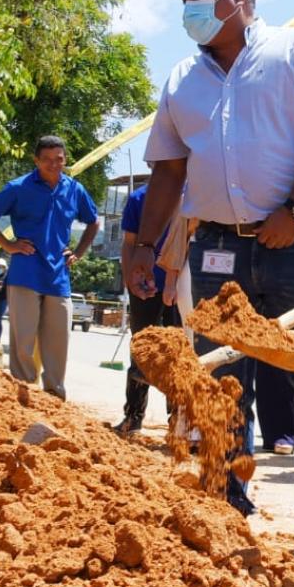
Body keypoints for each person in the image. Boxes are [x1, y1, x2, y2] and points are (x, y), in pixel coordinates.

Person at [128, 0, 294, 566]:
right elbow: (168, 170)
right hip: (218, 247)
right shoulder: (182, 80)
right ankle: (224, 505)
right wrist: (143, 247)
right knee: (219, 384)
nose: (189, 8)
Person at [0, 135, 99, 400]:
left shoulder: (74, 189)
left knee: (57, 341)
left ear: (65, 160)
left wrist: (78, 252)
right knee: (24, 340)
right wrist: (8, 245)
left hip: (58, 277)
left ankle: (54, 395)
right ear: (36, 160)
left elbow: (93, 221)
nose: (54, 165)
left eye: (59, 159)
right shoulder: (19, 187)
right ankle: (23, 392)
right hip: (25, 273)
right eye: (47, 160)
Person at [115, 183, 181, 435]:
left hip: (179, 287)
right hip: (145, 286)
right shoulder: (139, 198)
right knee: (141, 350)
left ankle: (177, 420)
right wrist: (129, 279)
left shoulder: (193, 192)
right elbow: (129, 243)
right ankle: (133, 416)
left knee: (177, 354)